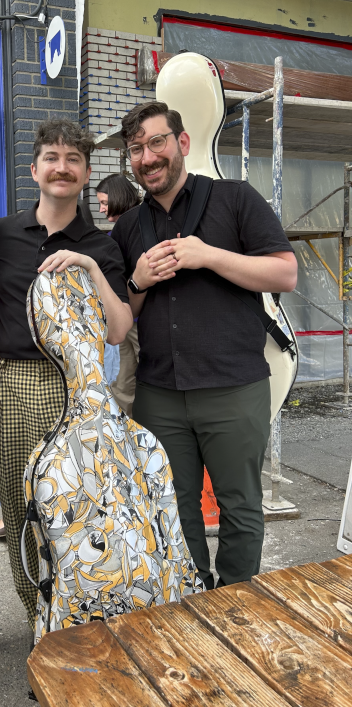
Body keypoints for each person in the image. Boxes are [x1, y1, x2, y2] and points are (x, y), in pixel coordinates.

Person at [111, 101, 297, 591]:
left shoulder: (234, 199)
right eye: (136, 149)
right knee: (173, 506)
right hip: (160, 393)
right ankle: (192, 597)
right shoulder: (129, 228)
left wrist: (208, 255)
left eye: (156, 142)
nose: (147, 157)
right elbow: (120, 318)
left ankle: (235, 600)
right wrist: (138, 280)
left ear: (182, 143)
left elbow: (285, 272)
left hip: (233, 387)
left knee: (240, 505)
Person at [0, 119, 133, 631]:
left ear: (87, 173)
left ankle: (78, 617)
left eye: (73, 159)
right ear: (34, 169)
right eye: (52, 156)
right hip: (9, 386)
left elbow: (118, 330)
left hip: (74, 390)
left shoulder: (102, 245)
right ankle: (36, 619)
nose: (62, 167)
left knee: (77, 511)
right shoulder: (1, 234)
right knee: (18, 506)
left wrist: (90, 269)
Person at [96, 174, 142, 416]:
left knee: (145, 380)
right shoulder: (121, 228)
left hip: (142, 319)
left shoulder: (140, 224)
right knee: (123, 381)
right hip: (124, 319)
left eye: (104, 203)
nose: (102, 210)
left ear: (118, 197)